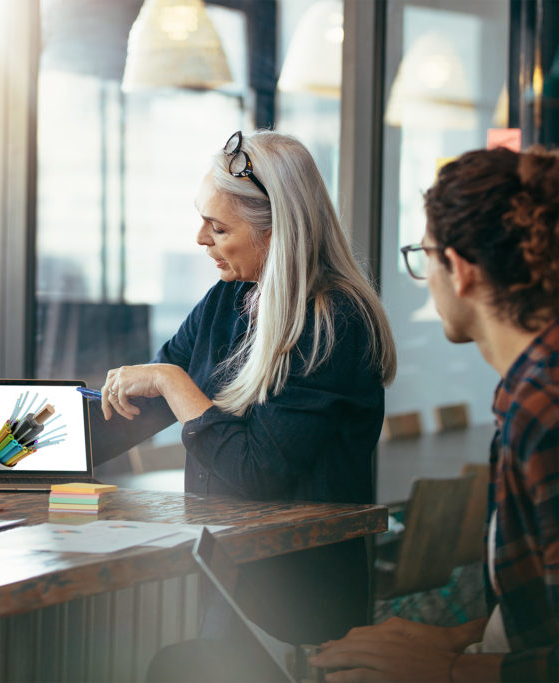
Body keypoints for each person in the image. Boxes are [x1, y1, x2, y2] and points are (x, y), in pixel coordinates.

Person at [90, 131, 396, 660]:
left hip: (299, 607)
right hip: (229, 580)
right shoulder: (226, 301)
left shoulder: (333, 322)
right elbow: (131, 410)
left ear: (278, 230)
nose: (200, 239)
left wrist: (172, 380)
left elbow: (256, 471)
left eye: (219, 226)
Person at [311, 147, 558, 682]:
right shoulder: (524, 390)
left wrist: (444, 669)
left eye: (422, 255)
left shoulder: (545, 407)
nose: (424, 275)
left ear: (461, 270)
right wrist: (452, 636)